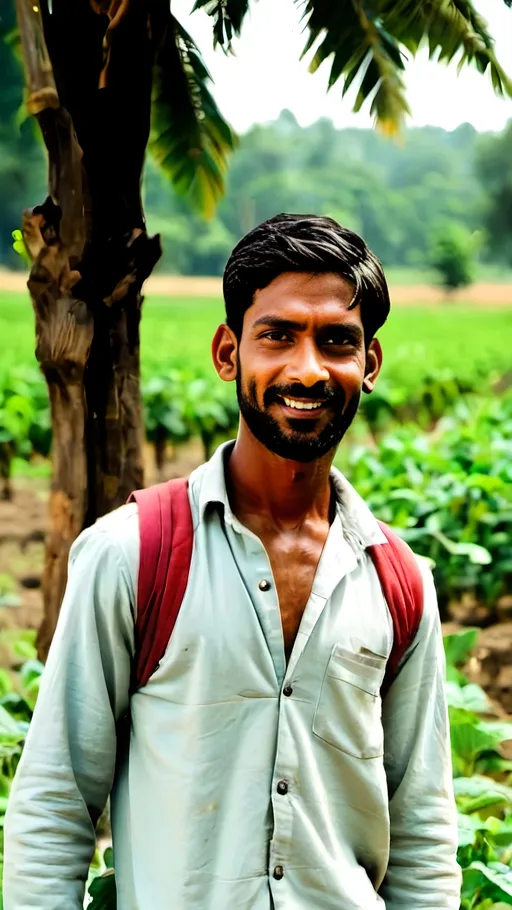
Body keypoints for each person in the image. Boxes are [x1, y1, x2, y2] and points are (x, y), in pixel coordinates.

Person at [4, 214, 461, 910]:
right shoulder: (131, 554)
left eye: (337, 341)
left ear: (368, 365)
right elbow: (54, 809)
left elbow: (424, 835)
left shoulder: (398, 583)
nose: (307, 369)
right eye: (278, 334)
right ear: (228, 352)